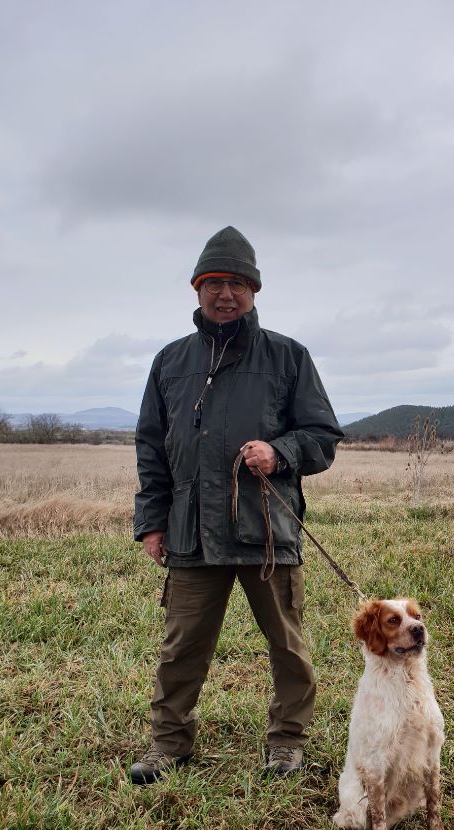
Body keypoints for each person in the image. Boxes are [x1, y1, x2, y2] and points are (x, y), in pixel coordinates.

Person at [131, 226, 343, 784]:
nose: (226, 294)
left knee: (288, 647)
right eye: (214, 283)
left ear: (254, 291)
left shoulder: (287, 357)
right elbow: (152, 448)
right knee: (181, 648)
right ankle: (168, 744)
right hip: (191, 532)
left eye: (238, 284)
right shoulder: (170, 362)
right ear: (197, 289)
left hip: (266, 530)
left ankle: (287, 743)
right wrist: (152, 523)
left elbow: (322, 436)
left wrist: (281, 451)